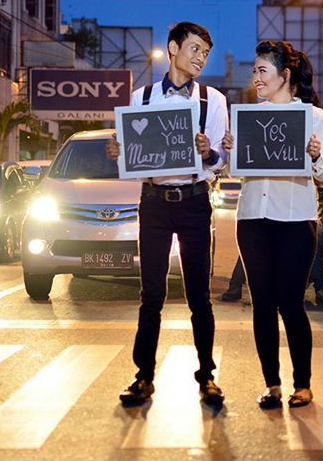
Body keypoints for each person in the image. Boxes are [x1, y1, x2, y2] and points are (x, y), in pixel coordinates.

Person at [107, 22, 227, 407]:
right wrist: (118, 153)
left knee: (199, 296)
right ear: (172, 48)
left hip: (194, 201)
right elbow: (131, 156)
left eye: (205, 53)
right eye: (194, 49)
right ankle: (143, 376)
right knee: (152, 294)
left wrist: (207, 151)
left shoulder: (213, 100)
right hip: (154, 202)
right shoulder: (141, 99)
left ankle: (207, 374)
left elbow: (220, 162)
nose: (200, 58)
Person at [222, 41, 323, 409]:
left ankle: (302, 384)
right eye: (254, 71)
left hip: (295, 221)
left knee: (291, 303)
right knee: (261, 305)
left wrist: (317, 157)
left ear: (284, 75)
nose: (255, 78)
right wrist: (229, 151)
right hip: (252, 219)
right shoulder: (247, 117)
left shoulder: (313, 117)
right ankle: (271, 384)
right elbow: (231, 170)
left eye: (261, 71)